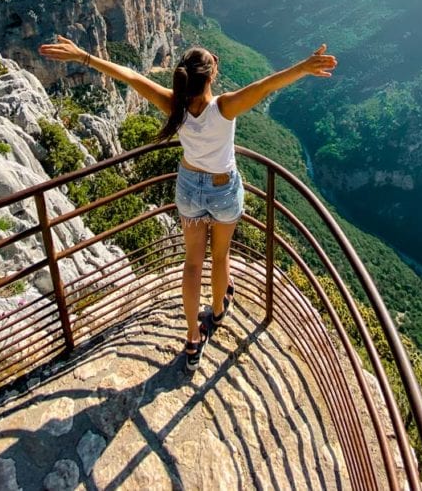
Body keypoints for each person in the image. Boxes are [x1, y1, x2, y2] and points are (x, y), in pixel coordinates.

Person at [39, 35, 337, 371]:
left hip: (189, 189)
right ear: (210, 77)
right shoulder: (224, 107)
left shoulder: (174, 105)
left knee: (193, 264)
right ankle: (219, 311)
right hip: (223, 191)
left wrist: (84, 57)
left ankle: (193, 337)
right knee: (220, 256)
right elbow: (265, 86)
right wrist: (304, 67)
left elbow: (131, 77)